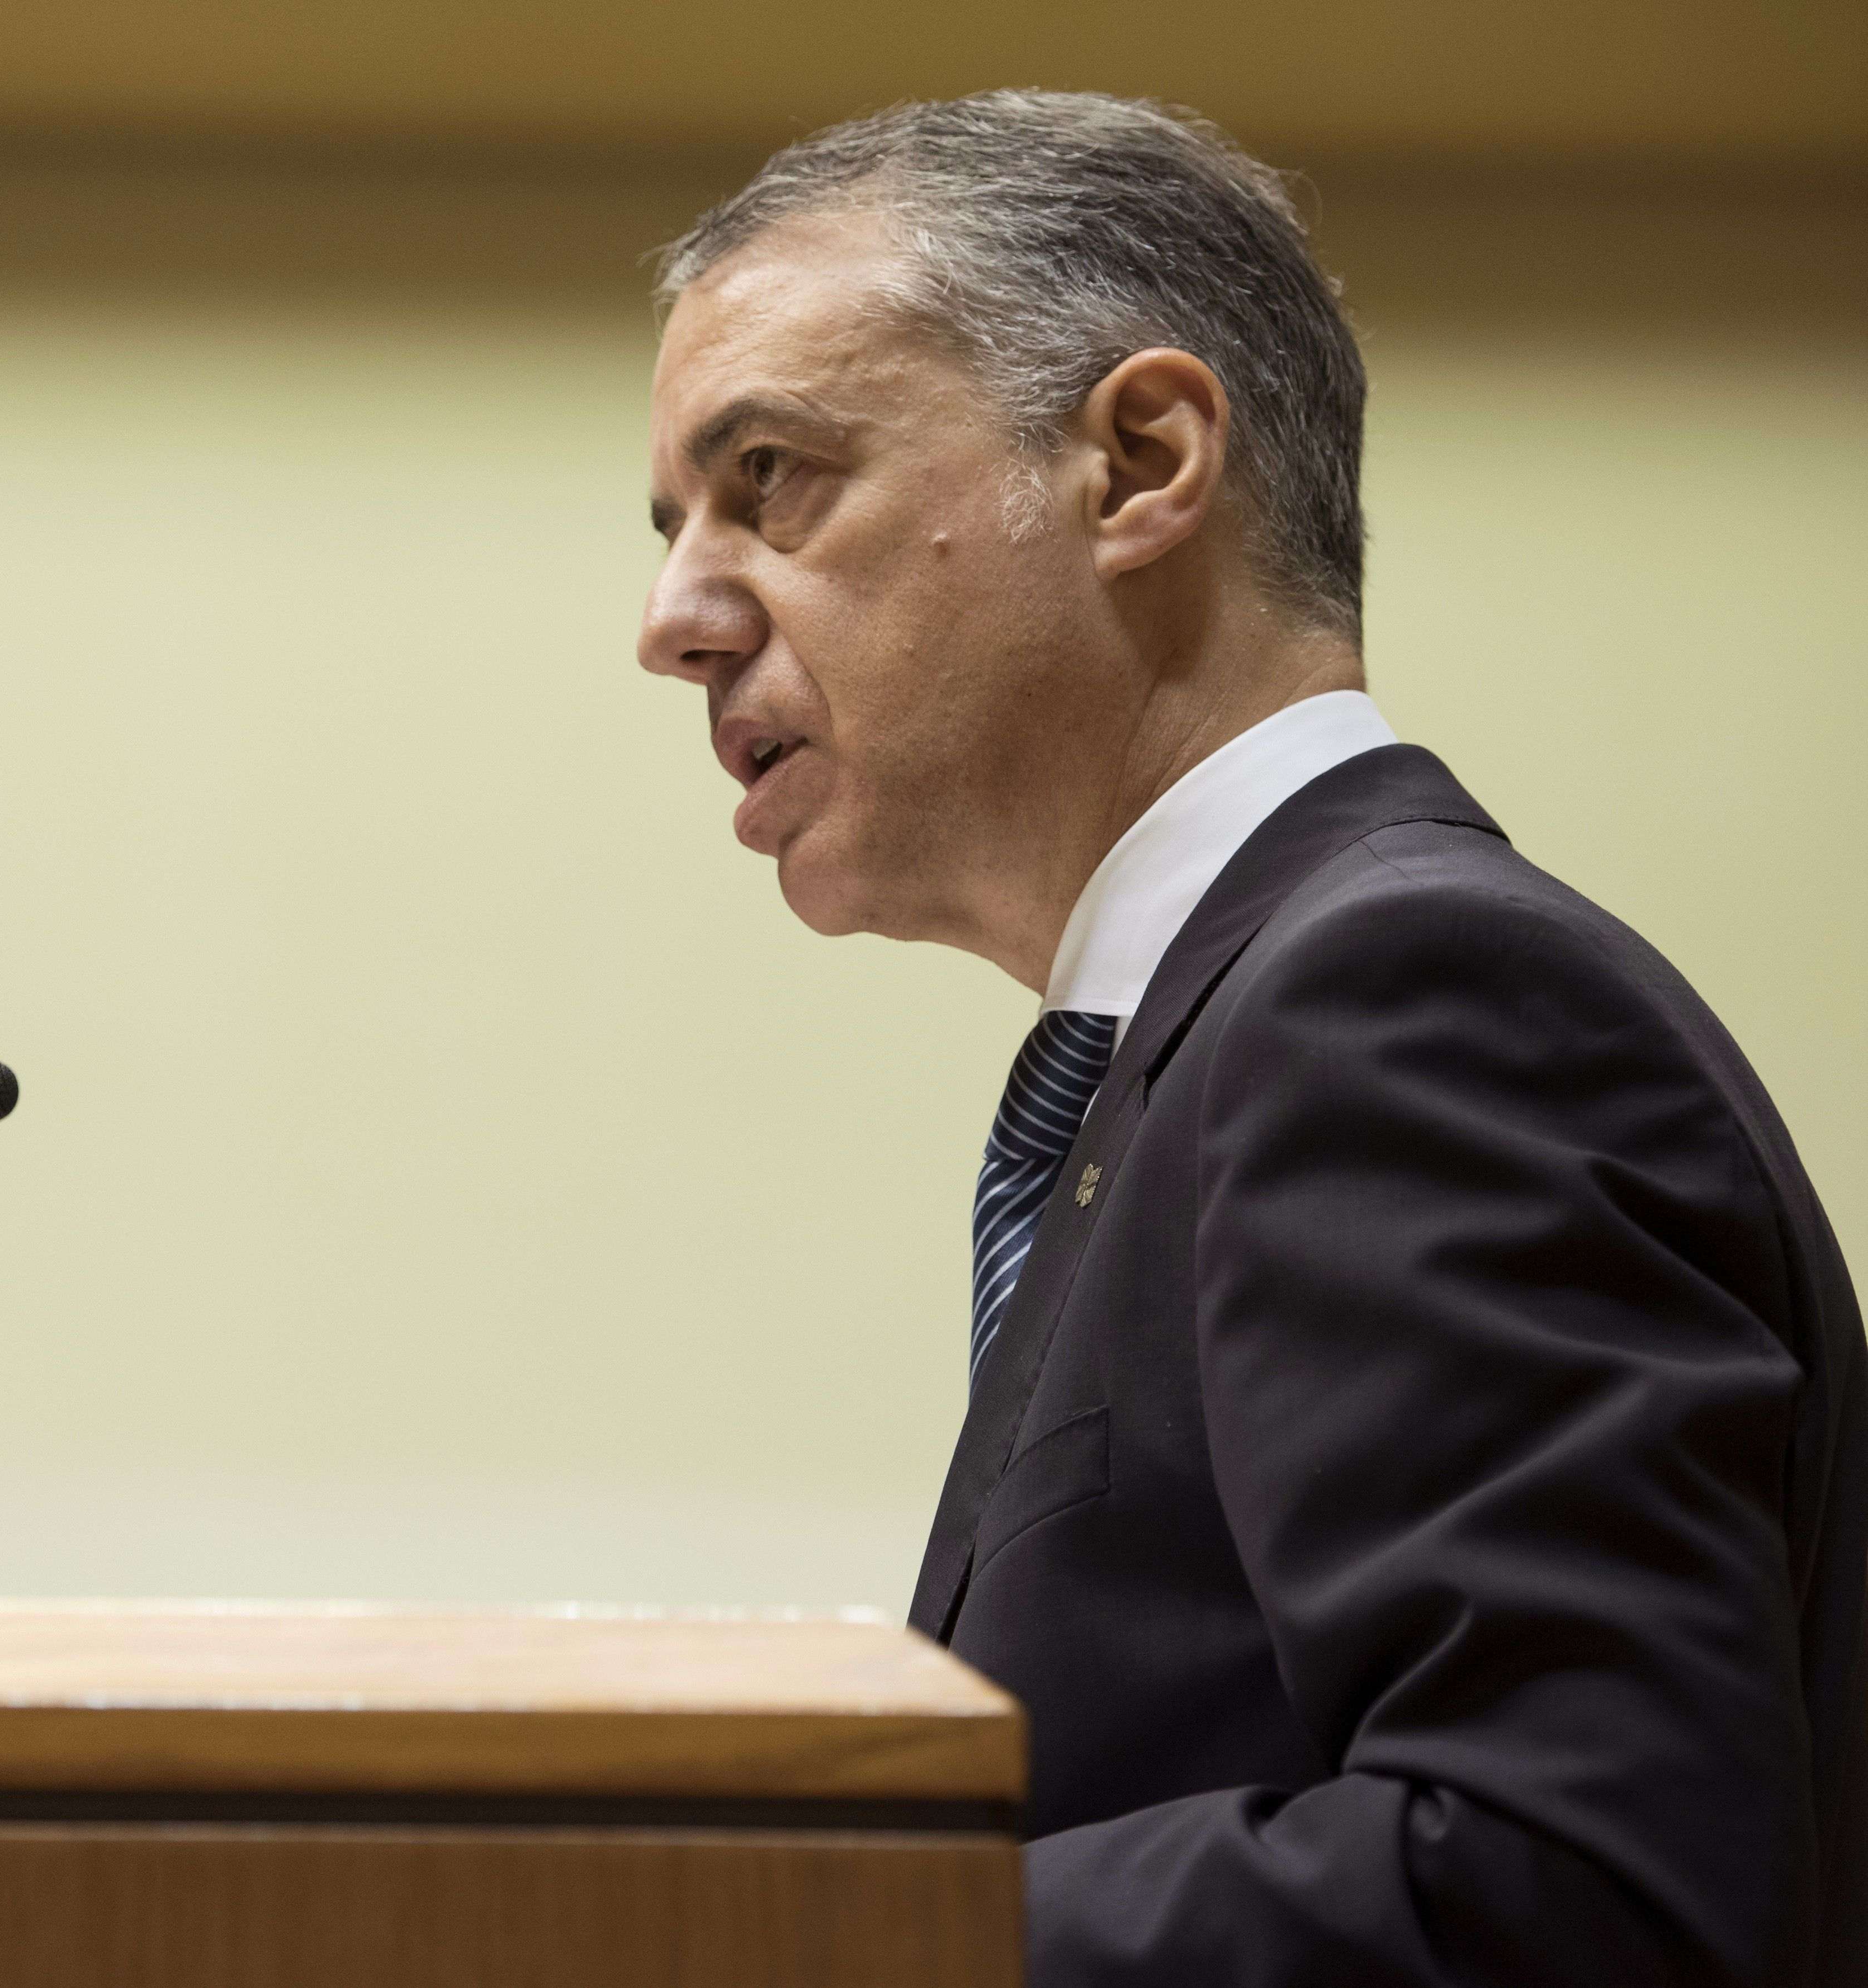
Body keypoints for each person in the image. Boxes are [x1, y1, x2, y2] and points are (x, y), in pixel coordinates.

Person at [636, 91, 1864, 1987]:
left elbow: (1581, 1890)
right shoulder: (1201, 1045)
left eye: (771, 478)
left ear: (1139, 463)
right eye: (673, 525)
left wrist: (807, 1939)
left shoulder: (1412, 1004)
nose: (676, 619)